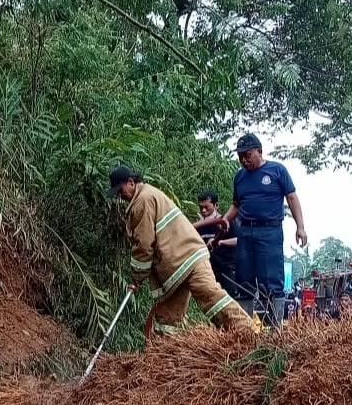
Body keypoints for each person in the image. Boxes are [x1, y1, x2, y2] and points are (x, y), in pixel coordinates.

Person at [110, 166, 253, 335]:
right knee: (167, 318)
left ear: (131, 183)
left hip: (189, 260)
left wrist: (137, 275)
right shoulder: (147, 195)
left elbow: (143, 244)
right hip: (175, 268)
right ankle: (166, 356)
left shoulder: (142, 200)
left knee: (211, 297)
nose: (120, 195)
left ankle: (248, 335)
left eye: (120, 190)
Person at [219, 133, 307, 326]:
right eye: (240, 156)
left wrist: (300, 227)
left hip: (270, 232)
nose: (243, 160)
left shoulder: (277, 170)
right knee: (243, 279)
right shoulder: (239, 177)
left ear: (259, 151)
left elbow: (292, 198)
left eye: (247, 155)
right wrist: (225, 218)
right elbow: (236, 204)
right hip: (245, 232)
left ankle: (275, 329)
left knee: (271, 280)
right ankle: (244, 329)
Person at [191, 191, 240, 299]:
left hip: (228, 271)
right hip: (210, 273)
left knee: (229, 302)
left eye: (206, 207)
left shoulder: (227, 222)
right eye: (201, 207)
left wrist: (220, 242)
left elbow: (240, 240)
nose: (203, 211)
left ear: (216, 205)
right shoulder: (199, 226)